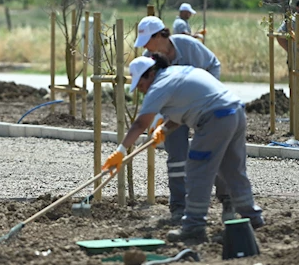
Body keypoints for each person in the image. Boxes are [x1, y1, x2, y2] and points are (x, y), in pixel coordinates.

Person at [102, 53, 264, 244]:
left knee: (197, 170)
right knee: (233, 170)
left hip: (215, 119)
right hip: (234, 112)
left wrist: (120, 152)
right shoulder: (178, 73)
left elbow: (140, 123)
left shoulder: (160, 85)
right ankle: (252, 218)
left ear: (151, 74)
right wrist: (164, 129)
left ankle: (194, 225)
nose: (140, 89)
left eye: (140, 84)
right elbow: (187, 107)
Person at [133, 16, 235, 223]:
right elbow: (153, 91)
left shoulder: (188, 46)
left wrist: (209, 99)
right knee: (176, 157)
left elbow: (213, 65)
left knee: (211, 152)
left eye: (147, 41)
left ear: (160, 36)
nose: (145, 47)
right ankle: (179, 206)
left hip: (204, 108)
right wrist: (159, 120)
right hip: (175, 112)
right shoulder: (148, 59)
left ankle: (227, 200)